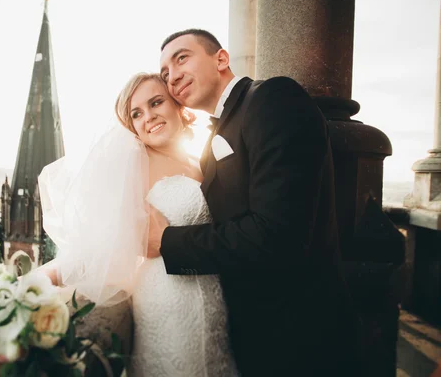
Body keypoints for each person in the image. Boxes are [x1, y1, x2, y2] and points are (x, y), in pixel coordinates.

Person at [148, 28, 362, 376]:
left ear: (221, 58)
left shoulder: (272, 98)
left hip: (302, 341)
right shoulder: (215, 136)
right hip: (253, 338)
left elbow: (278, 236)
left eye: (181, 58)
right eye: (165, 74)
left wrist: (167, 242)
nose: (172, 77)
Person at [38, 72, 238, 376]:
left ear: (177, 105)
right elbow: (102, 240)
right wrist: (47, 276)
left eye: (156, 103)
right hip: (168, 297)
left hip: (215, 298)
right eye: (136, 114)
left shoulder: (198, 162)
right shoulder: (134, 167)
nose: (149, 117)